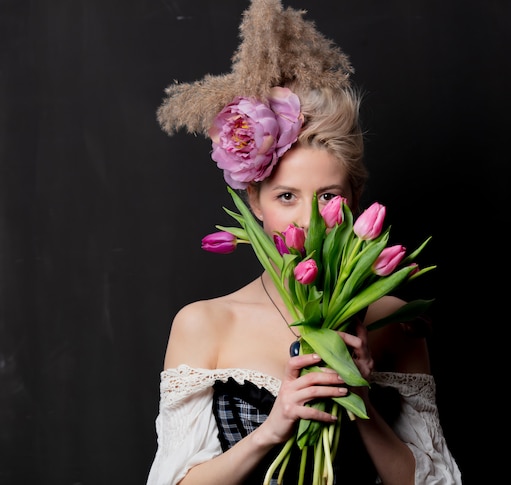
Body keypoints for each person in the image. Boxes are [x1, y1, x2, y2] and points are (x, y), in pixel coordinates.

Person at [147, 1, 462, 484]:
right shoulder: (205, 323)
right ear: (255, 200)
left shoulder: (395, 321)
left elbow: (432, 481)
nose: (310, 219)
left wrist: (358, 397)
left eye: (329, 196)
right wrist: (271, 430)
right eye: (287, 196)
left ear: (355, 201)